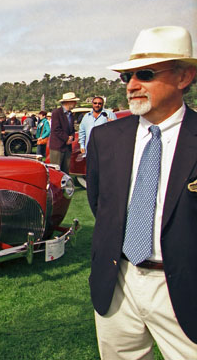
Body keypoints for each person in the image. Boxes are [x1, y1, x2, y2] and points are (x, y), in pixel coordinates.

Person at [86, 26, 197, 359]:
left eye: (145, 74)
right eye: (126, 76)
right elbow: (100, 205)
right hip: (117, 282)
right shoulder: (106, 139)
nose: (132, 85)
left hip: (184, 287)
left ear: (184, 77)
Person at [49, 92, 78, 174]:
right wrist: (66, 138)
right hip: (58, 147)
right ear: (68, 102)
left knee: (65, 171)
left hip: (67, 148)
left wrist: (71, 137)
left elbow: (72, 129)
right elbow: (56, 129)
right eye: (74, 102)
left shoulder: (71, 115)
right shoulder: (56, 113)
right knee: (56, 171)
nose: (75, 104)